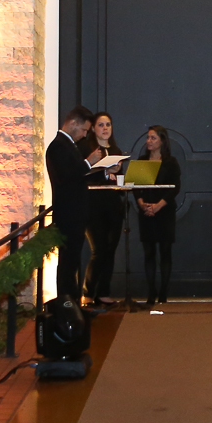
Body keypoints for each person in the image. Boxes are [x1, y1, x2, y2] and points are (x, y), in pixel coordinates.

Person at [46, 105, 95, 303]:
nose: (84, 135)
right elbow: (67, 177)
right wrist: (89, 163)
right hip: (68, 213)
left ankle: (73, 304)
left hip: (75, 212)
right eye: (83, 129)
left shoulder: (69, 145)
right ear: (73, 123)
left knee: (73, 261)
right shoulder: (58, 146)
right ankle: (66, 305)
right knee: (67, 263)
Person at [80, 112, 125, 304]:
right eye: (100, 125)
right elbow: (81, 174)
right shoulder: (86, 149)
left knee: (111, 249)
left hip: (113, 205)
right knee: (99, 249)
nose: (105, 128)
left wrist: (116, 173)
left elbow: (118, 178)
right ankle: (88, 292)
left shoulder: (115, 150)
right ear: (93, 128)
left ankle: (104, 292)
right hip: (93, 205)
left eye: (108, 124)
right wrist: (105, 171)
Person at [133, 125, 181, 305]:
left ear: (162, 141)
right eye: (148, 138)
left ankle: (163, 293)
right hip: (145, 212)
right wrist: (142, 204)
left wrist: (159, 205)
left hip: (164, 212)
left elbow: (175, 187)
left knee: (165, 251)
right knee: (149, 253)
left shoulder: (170, 162)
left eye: (153, 138)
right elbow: (136, 187)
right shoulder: (142, 161)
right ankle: (151, 292)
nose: (149, 141)